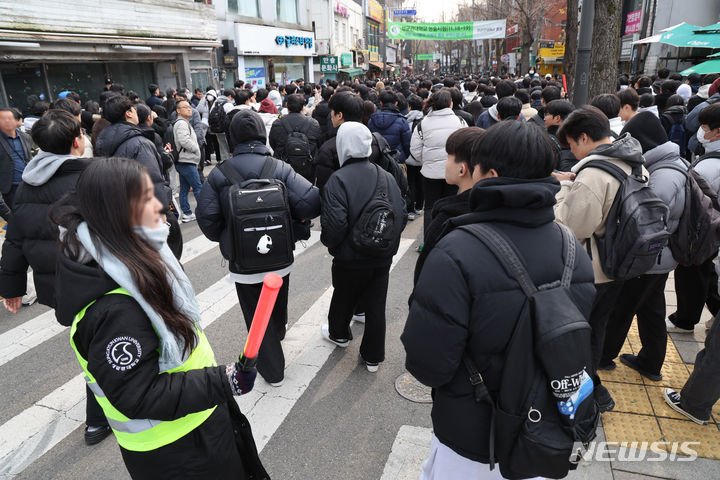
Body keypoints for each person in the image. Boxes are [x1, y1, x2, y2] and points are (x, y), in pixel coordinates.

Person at [51, 157, 267, 479]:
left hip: (197, 418)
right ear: (117, 213)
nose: (160, 205)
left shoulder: (132, 253)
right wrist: (223, 381)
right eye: (146, 199)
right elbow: (139, 393)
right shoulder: (113, 309)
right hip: (175, 450)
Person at [402, 120, 595, 479]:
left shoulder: (455, 250)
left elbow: (428, 364)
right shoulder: (573, 249)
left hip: (473, 437)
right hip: (544, 430)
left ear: (488, 174)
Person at [196, 110, 320, 386]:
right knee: (277, 299)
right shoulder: (279, 167)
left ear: (232, 138)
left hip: (244, 264)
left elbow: (206, 218)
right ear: (262, 136)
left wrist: (229, 237)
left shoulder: (220, 173)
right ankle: (278, 331)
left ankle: (273, 371)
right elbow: (311, 202)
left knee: (255, 314)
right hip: (279, 255)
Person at [553, 106, 648, 412]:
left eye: (572, 145)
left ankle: (585, 392)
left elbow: (570, 225)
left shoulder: (594, 174)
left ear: (583, 137)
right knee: (598, 326)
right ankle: (591, 384)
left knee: (581, 332)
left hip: (592, 271)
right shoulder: (634, 161)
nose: (573, 152)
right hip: (620, 263)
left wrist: (565, 186)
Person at [600, 115, 686, 380]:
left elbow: (647, 222)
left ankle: (604, 356)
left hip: (649, 258)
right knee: (651, 310)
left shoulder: (663, 176)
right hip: (661, 257)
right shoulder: (672, 163)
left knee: (622, 309)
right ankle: (650, 362)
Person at [319, 121, 406, 372]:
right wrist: (386, 243)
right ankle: (373, 357)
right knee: (377, 304)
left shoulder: (338, 179)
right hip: (381, 255)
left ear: (343, 145)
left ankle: (339, 334)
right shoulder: (386, 175)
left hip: (349, 257)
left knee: (343, 295)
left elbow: (335, 226)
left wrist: (332, 245)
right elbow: (398, 213)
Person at [94, 96, 182, 259]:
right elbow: (152, 179)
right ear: (128, 114)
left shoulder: (102, 139)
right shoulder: (138, 142)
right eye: (133, 109)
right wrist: (161, 212)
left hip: (121, 209)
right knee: (165, 260)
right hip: (145, 210)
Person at [668, 103, 720, 334]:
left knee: (694, 273)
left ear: (717, 131)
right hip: (712, 230)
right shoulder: (710, 158)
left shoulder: (710, 166)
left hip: (706, 229)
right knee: (706, 275)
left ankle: (685, 319)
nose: (700, 131)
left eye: (704, 127)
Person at [414, 127, 484, 285]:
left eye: (448, 157)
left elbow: (424, 277)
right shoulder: (492, 207)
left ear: (462, 169)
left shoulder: (446, 220)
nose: (445, 163)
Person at [410, 89, 467, 245]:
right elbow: (466, 145)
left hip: (430, 172)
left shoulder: (424, 123)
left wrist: (427, 160)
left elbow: (414, 149)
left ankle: (429, 240)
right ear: (451, 103)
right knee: (452, 204)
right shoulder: (460, 121)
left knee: (430, 207)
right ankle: (449, 239)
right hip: (455, 172)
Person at [268, 93, 322, 182]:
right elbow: (318, 144)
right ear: (303, 107)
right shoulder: (314, 123)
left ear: (286, 105)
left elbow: (273, 143)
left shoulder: (278, 123)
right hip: (307, 168)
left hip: (283, 167)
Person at [173, 99, 203, 223]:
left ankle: (187, 213)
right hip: (185, 161)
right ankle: (204, 211)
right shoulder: (181, 123)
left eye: (189, 107)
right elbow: (184, 140)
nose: (189, 109)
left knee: (184, 188)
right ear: (178, 111)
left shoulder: (184, 122)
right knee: (198, 187)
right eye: (185, 107)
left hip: (185, 161)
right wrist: (196, 150)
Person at [0, 108, 32, 212]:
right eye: (3, 119)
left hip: (27, 183)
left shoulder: (25, 137)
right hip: (9, 187)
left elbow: (28, 157)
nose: (7, 121)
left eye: (10, 118)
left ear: (17, 120)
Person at [367, 89, 412, 164]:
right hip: (398, 160)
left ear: (381, 103)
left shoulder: (371, 121)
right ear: (396, 103)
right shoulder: (402, 121)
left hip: (378, 162)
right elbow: (407, 144)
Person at [544, 99, 577, 171]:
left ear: (557, 118)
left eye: (547, 114)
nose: (544, 118)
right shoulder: (578, 138)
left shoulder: (546, 140)